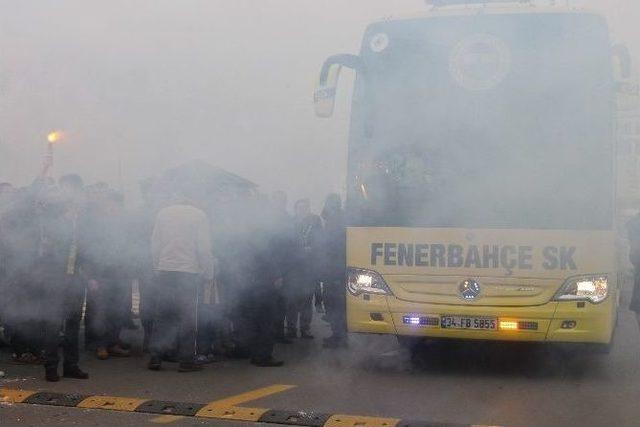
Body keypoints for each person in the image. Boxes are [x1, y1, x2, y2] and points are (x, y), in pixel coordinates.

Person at [148, 192, 214, 372]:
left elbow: (155, 243)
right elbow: (204, 247)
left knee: (162, 315)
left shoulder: (163, 213)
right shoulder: (199, 215)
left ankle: (156, 357)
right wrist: (208, 272)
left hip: (166, 269)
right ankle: (186, 360)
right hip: (188, 272)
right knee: (188, 317)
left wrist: (157, 267)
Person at [37, 174, 89, 382]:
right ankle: (50, 366)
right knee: (53, 324)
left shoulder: (79, 227)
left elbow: (84, 254)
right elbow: (46, 254)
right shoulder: (53, 227)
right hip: (55, 280)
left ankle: (71, 365)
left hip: (74, 281)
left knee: (73, 324)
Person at [83, 191, 133, 360]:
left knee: (117, 311)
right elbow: (87, 253)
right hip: (101, 275)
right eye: (110, 204)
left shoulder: (124, 224)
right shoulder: (95, 225)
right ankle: (100, 345)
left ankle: (113, 342)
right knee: (101, 312)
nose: (114, 208)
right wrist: (91, 277)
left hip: (121, 274)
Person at [285, 199, 323, 339]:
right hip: (293, 268)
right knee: (292, 300)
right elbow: (286, 243)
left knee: (307, 300)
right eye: (300, 208)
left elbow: (321, 240)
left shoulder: (315, 221)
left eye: (305, 208)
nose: (303, 210)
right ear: (295, 209)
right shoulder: (290, 222)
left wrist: (313, 249)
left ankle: (305, 329)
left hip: (309, 267)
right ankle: (291, 329)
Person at [320, 194, 348, 348]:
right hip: (332, 269)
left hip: (335, 270)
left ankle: (339, 337)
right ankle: (337, 335)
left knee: (334, 303)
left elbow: (334, 247)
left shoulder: (336, 221)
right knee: (333, 303)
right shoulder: (333, 219)